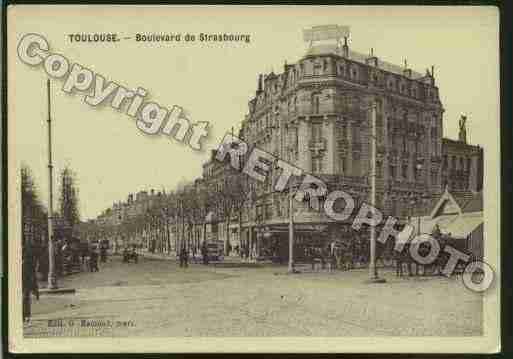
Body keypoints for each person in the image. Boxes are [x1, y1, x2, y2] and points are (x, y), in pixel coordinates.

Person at [22, 245, 39, 323]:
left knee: (25, 298)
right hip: (24, 282)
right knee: (25, 298)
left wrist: (35, 287)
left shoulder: (28, 262)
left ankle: (26, 315)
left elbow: (32, 275)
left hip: (26, 282)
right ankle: (25, 315)